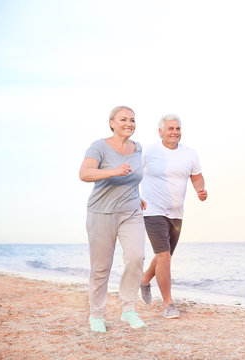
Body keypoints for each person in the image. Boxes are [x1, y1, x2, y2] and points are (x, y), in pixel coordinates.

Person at [79, 105, 147, 332]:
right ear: (112, 123)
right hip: (101, 213)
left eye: (132, 120)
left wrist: (138, 197)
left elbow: (134, 178)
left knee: (136, 257)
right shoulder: (99, 147)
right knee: (100, 267)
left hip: (131, 211)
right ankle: (96, 315)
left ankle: (128, 309)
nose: (129, 123)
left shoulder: (137, 149)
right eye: (123, 119)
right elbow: (85, 173)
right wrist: (113, 171)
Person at [139, 114, 207, 319]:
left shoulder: (190, 154)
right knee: (164, 256)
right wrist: (135, 197)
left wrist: (201, 190)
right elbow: (132, 175)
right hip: (152, 211)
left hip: (177, 214)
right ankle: (168, 304)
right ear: (160, 131)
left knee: (165, 256)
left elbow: (196, 176)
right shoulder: (148, 152)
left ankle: (144, 280)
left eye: (177, 128)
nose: (175, 132)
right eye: (170, 129)